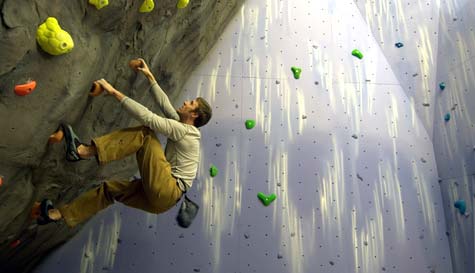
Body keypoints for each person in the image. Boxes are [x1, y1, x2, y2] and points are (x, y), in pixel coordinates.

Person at [34, 58, 212, 227]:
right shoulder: (183, 127)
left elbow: (149, 118)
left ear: (194, 114)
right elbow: (165, 105)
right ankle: (55, 215)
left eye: (191, 103)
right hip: (163, 202)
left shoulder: (186, 132)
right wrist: (149, 75)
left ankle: (82, 151)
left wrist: (113, 91)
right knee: (110, 190)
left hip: (168, 188)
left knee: (145, 134)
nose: (186, 102)